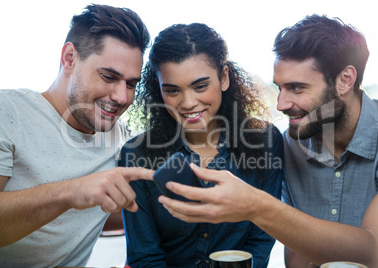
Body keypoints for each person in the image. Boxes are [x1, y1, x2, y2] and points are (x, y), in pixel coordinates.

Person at [157, 15, 378, 268]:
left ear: (345, 80)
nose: (281, 104)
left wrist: (255, 205)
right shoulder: (292, 144)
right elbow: (297, 258)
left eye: (296, 88)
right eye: (280, 88)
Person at [0, 4, 154, 268]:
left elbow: (127, 212)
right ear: (70, 58)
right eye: (108, 76)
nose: (122, 97)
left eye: (131, 84)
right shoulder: (6, 112)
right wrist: (72, 192)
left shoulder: (122, 140)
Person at [118, 23, 284, 267]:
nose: (187, 103)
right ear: (158, 87)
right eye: (173, 90)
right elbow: (145, 257)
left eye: (200, 86)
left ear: (224, 78)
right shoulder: (137, 154)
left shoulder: (265, 141)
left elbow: (261, 239)